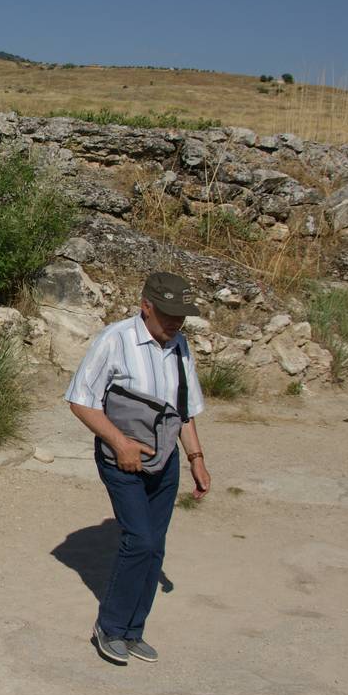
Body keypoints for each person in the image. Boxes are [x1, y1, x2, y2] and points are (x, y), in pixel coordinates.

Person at [64, 271, 212, 665]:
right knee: (140, 540)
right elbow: (81, 400)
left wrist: (197, 459)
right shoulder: (116, 340)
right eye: (168, 313)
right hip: (121, 457)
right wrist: (121, 444)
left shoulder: (180, 345)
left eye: (181, 315)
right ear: (146, 306)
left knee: (156, 547)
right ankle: (109, 628)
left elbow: (185, 410)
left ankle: (133, 631)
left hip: (167, 459)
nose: (176, 322)